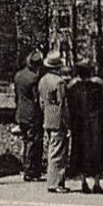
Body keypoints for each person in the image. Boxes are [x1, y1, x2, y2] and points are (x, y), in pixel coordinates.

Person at [63, 60, 103, 194]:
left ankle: (83, 182)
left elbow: (70, 110)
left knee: (80, 152)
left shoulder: (73, 89)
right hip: (95, 124)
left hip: (79, 125)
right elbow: (102, 109)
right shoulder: (97, 88)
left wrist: (70, 125)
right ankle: (96, 183)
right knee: (98, 152)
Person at [38, 51, 70, 193]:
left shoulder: (43, 80)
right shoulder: (59, 82)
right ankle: (55, 182)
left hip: (47, 118)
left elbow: (41, 101)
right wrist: (67, 122)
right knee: (58, 152)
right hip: (58, 119)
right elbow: (63, 104)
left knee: (51, 149)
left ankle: (54, 181)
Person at [12, 52, 45, 182]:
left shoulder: (18, 75)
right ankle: (31, 171)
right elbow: (37, 98)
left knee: (26, 140)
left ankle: (26, 167)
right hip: (32, 114)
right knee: (34, 142)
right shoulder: (34, 78)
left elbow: (16, 95)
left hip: (21, 112)